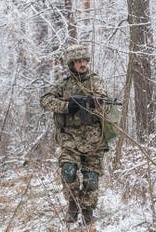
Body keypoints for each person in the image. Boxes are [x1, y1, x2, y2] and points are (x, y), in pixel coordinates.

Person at [39, 44, 109, 225]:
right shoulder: (63, 84)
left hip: (94, 139)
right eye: (78, 61)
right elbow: (45, 100)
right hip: (69, 138)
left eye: (85, 60)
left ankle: (87, 211)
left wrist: (95, 103)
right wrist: (66, 107)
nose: (83, 64)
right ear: (71, 63)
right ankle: (72, 205)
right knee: (68, 171)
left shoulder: (95, 81)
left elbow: (104, 99)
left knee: (91, 178)